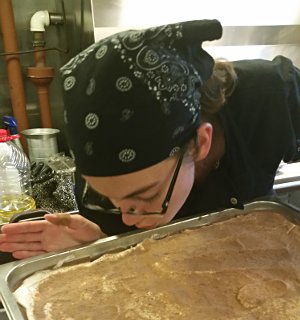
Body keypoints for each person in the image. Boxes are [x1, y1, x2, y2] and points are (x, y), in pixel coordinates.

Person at [0, 18, 300, 259]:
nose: (128, 218)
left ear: (201, 143)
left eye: (145, 197)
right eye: (111, 199)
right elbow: (143, 259)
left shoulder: (272, 95)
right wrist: (103, 247)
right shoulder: (100, 199)